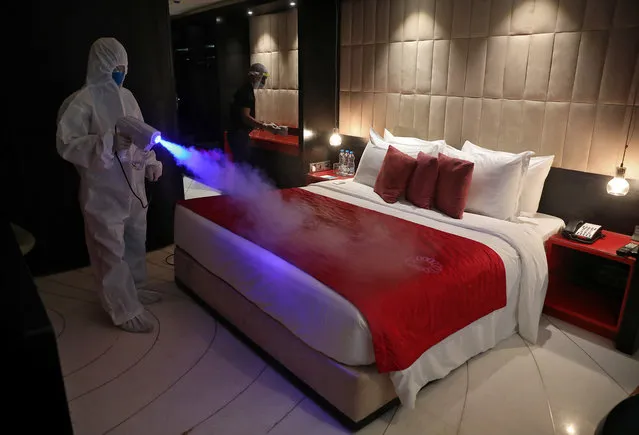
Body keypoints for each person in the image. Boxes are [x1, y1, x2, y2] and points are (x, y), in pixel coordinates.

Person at [57, 38, 163, 333]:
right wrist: (106, 143)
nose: (120, 72)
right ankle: (122, 308)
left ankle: (136, 290)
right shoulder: (82, 101)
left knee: (134, 242)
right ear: (100, 65)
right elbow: (67, 144)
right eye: (115, 67)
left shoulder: (128, 96)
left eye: (123, 67)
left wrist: (151, 161)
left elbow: (141, 133)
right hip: (102, 193)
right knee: (109, 251)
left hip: (134, 188)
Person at [227, 63, 279, 163]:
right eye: (262, 78)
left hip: (235, 133)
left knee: (240, 164)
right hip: (239, 134)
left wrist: (260, 124)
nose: (263, 82)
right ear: (253, 76)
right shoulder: (247, 93)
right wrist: (265, 126)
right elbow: (245, 117)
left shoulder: (244, 89)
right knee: (243, 165)